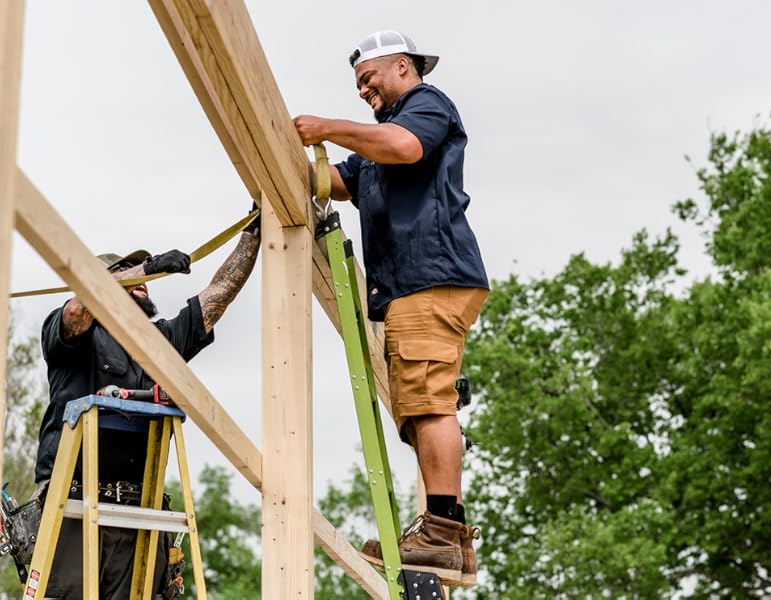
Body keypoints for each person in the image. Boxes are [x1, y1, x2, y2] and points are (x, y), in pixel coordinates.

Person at [293, 30, 489, 587]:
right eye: (357, 84)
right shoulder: (375, 144)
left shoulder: (425, 107)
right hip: (412, 284)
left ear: (401, 66)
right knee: (418, 405)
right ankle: (444, 537)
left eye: (368, 78)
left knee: (429, 401)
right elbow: (336, 181)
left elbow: (406, 147)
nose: (362, 90)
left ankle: (444, 534)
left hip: (431, 276)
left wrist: (326, 127)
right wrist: (282, 163)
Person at [33, 212, 260, 599]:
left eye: (147, 279)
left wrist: (255, 233)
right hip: (69, 505)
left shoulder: (158, 343)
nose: (146, 284)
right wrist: (147, 268)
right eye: (132, 274)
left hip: (138, 510)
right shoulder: (74, 336)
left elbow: (217, 296)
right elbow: (79, 307)